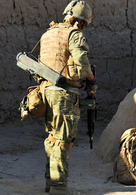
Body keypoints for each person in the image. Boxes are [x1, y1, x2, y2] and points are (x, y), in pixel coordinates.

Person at [36, 0, 97, 194]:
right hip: (64, 94)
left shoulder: (47, 34)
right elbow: (81, 60)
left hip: (45, 91)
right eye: (83, 23)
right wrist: (91, 80)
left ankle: (50, 183)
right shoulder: (74, 34)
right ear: (78, 20)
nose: (83, 27)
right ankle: (59, 188)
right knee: (63, 140)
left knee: (52, 139)